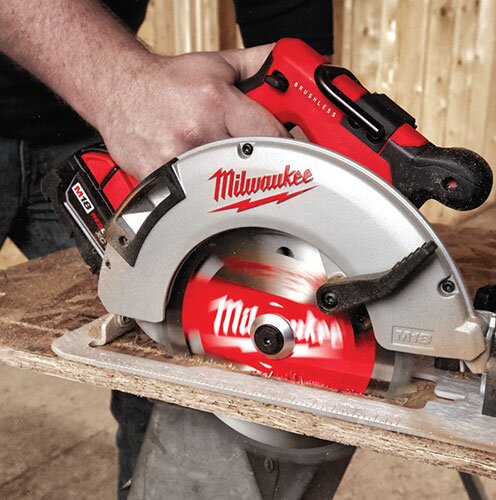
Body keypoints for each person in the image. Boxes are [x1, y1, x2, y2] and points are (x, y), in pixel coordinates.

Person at [0, 1, 332, 497]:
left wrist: (308, 123)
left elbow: (285, 16)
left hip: (87, 121)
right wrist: (121, 85)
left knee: (164, 363)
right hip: (102, 86)